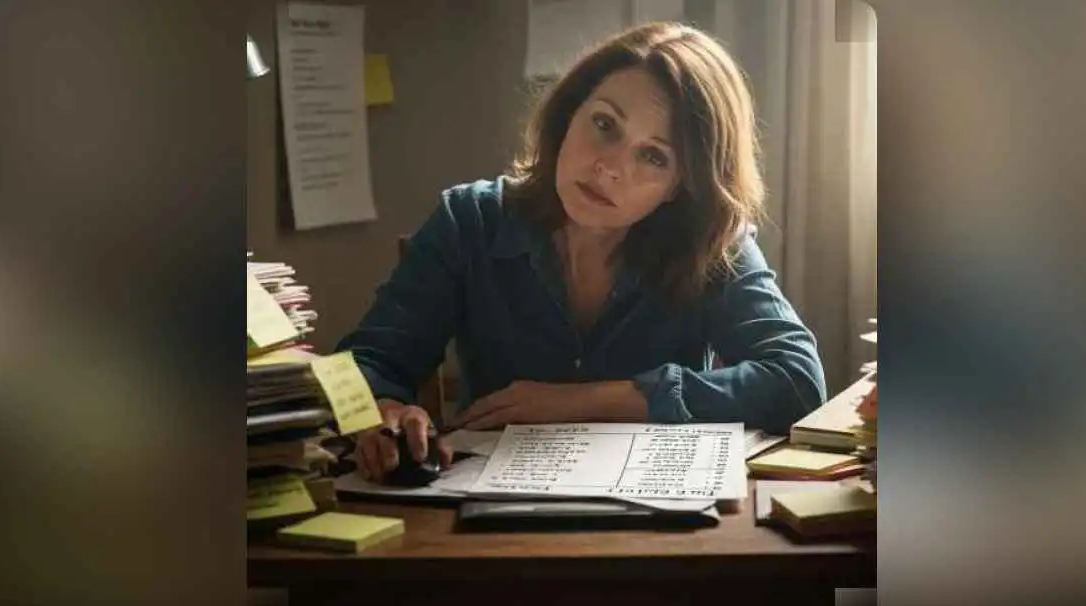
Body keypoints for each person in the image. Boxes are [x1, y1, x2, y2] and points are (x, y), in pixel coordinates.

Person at [336, 22, 826, 481]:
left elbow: (797, 380)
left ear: (681, 186)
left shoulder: (711, 242)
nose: (609, 168)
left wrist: (588, 401)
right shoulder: (471, 220)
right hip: (482, 525)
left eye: (653, 156)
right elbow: (362, 365)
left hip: (657, 523)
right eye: (605, 124)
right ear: (570, 114)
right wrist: (382, 409)